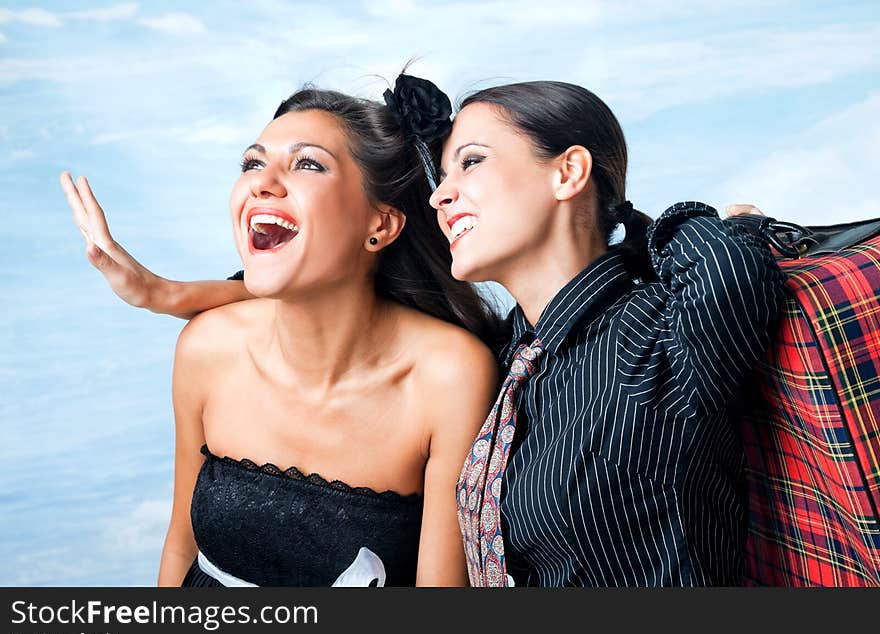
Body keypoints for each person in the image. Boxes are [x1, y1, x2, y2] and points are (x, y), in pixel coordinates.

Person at [60, 77, 500, 586]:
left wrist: (167, 294)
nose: (261, 182)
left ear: (380, 224)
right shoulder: (208, 347)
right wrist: (165, 295)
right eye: (252, 163)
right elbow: (180, 546)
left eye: (308, 163)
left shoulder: (449, 375)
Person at [431, 81, 787, 586]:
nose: (439, 194)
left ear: (568, 172)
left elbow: (728, 268)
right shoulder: (508, 358)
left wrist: (726, 229)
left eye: (470, 162)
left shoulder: (659, 330)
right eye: (443, 174)